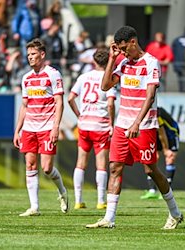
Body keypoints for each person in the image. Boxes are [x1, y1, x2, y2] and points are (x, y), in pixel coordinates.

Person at [85, 26, 183, 229]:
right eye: (118, 49)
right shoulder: (122, 63)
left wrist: (137, 122)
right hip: (122, 125)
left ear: (133, 42)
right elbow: (105, 86)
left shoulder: (151, 62)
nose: (122, 52)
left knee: (150, 169)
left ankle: (174, 212)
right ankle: (109, 219)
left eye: (122, 48)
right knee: (114, 167)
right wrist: (112, 59)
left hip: (144, 125)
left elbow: (150, 96)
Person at [13, 38, 68, 216]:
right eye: (28, 54)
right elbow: (24, 105)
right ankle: (34, 207)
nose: (30, 57)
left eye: (33, 54)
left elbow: (59, 102)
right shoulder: (26, 78)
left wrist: (55, 127)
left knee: (46, 168)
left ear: (42, 55)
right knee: (30, 164)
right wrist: (18, 129)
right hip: (30, 127)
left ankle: (62, 192)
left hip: (46, 127)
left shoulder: (53, 74)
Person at [68, 48, 116, 210]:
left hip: (84, 125)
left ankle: (78, 200)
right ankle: (101, 201)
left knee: (80, 163)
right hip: (100, 126)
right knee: (101, 165)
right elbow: (110, 103)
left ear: (94, 61)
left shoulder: (83, 77)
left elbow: (70, 98)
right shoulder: (108, 79)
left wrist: (79, 115)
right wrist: (112, 123)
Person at [141, 107, 180, 199]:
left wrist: (166, 149)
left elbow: (162, 133)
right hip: (156, 134)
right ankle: (152, 191)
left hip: (171, 133)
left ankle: (167, 190)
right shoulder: (139, 113)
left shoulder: (155, 114)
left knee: (170, 158)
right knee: (151, 158)